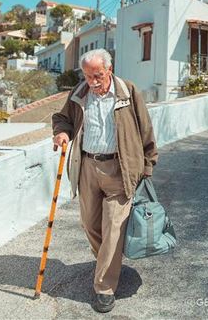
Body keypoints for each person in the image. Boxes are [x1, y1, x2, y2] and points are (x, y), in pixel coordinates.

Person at [52, 48, 158, 313]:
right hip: (88, 165)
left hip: (120, 168)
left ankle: (104, 288)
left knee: (113, 228)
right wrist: (62, 134)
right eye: (88, 76)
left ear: (109, 69)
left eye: (97, 75)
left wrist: (148, 164)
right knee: (89, 224)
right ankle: (108, 262)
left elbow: (146, 130)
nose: (92, 81)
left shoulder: (128, 92)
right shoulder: (80, 93)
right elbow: (62, 119)